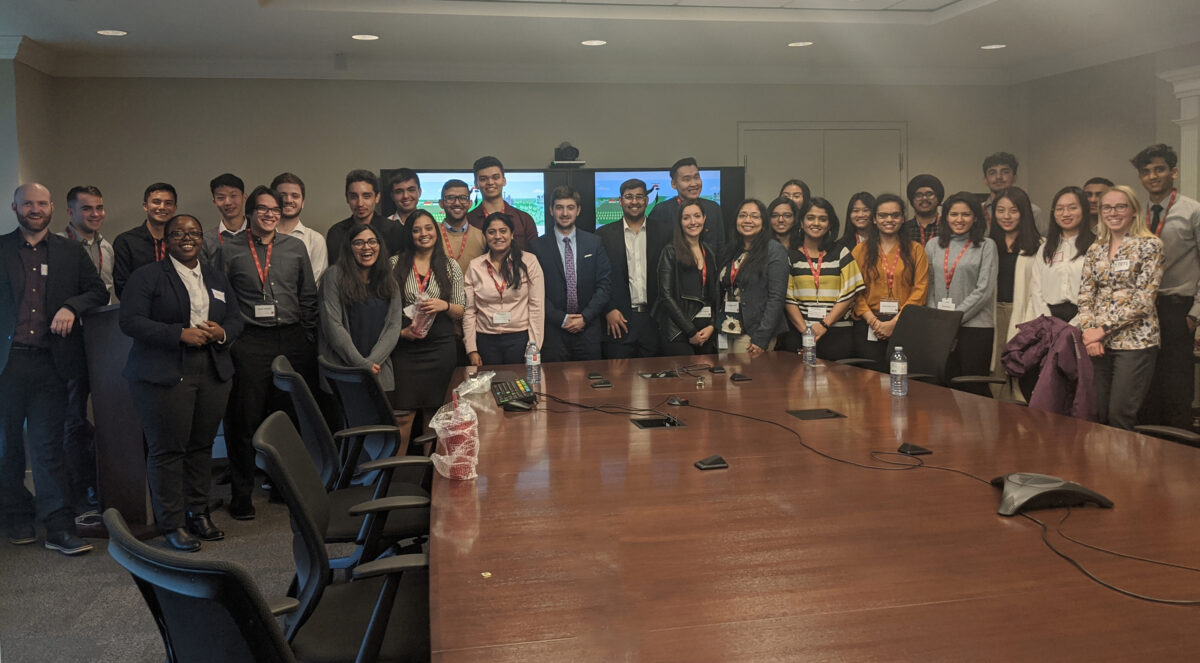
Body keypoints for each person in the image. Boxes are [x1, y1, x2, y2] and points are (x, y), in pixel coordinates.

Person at [120, 214, 241, 552]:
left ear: (202, 238)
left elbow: (235, 317)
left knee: (201, 446)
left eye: (193, 232)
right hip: (164, 373)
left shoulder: (216, 277)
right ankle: (171, 523)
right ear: (166, 240)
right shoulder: (148, 276)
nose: (187, 238)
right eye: (178, 233)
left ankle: (198, 513)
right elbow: (129, 321)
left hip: (213, 370)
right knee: (168, 450)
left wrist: (223, 332)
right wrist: (179, 333)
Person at [1, 183, 108, 556]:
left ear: (52, 209)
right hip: (7, 365)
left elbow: (99, 292)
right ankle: (15, 516)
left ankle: (58, 526)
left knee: (50, 447)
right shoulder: (1, 248)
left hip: (52, 363)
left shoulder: (70, 251)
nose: (35, 208)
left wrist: (71, 307)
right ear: (15, 207)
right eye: (28, 203)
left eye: (41, 203)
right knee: (6, 446)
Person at [218, 186, 318, 520]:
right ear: (249, 213)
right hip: (250, 341)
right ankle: (242, 493)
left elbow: (307, 296)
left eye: (275, 209)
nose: (271, 214)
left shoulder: (295, 247)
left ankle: (282, 487)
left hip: (291, 339)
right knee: (244, 419)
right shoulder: (229, 249)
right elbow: (222, 300)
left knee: (288, 419)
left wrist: (307, 338)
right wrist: (232, 340)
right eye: (263, 209)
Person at [1079, 186, 1164, 430]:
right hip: (1097, 344)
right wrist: (1089, 333)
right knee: (1098, 414)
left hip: (1135, 343)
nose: (1113, 212)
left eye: (1121, 206)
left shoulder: (1149, 246)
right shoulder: (1096, 248)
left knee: (1120, 416)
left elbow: (1143, 300)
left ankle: (1123, 468)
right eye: (1107, 207)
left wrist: (1102, 329)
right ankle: (1100, 467)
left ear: (1134, 211)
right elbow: (1086, 295)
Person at [1130, 144, 1200, 430]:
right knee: (1145, 384)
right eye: (1145, 172)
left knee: (1176, 386)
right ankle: (1148, 453)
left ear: (1174, 172)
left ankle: (1179, 456)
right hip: (1141, 310)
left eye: (1159, 169)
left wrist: (1195, 313)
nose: (1152, 176)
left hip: (1177, 309)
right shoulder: (1134, 212)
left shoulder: (1193, 211)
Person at [58, 185, 113, 520]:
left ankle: (104, 485)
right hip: (71, 343)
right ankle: (77, 491)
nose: (95, 214)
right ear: (70, 212)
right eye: (87, 209)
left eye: (99, 208)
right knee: (74, 418)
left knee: (110, 417)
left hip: (106, 340)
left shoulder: (108, 246)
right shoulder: (60, 247)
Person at [391, 211, 466, 419]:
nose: (423, 234)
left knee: (436, 414)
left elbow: (460, 310)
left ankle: (430, 453)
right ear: (409, 234)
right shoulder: (395, 264)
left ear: (436, 231)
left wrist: (444, 305)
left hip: (440, 348)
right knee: (403, 413)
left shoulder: (450, 265)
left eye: (428, 228)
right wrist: (401, 333)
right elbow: (386, 310)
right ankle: (403, 454)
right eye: (416, 230)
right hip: (407, 347)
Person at [925, 192, 998, 395]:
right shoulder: (933, 245)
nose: (959, 220)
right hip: (940, 327)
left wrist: (954, 318)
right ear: (945, 217)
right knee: (944, 385)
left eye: (965, 214)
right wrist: (938, 319)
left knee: (973, 387)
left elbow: (984, 290)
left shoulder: (986, 246)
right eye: (953, 214)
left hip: (975, 328)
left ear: (975, 217)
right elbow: (927, 285)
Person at [530, 185, 612, 362]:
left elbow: (604, 285)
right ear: (551, 210)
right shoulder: (537, 247)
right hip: (553, 330)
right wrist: (561, 319)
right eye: (559, 207)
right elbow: (534, 292)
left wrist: (585, 317)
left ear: (578, 210)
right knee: (555, 385)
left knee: (590, 384)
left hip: (588, 329)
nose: (565, 213)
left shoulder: (594, 243)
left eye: (570, 207)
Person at [319, 224, 403, 392]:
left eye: (372, 241)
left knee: (379, 418)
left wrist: (372, 363)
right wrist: (361, 364)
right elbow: (332, 326)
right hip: (342, 370)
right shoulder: (333, 276)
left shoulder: (389, 280)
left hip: (377, 370)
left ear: (380, 245)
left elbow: (394, 326)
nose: (367, 247)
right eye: (359, 243)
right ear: (349, 248)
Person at [851, 194, 930, 372]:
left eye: (895, 215)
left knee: (902, 378)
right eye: (883, 215)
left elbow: (920, 290)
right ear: (874, 219)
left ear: (902, 218)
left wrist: (895, 323)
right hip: (868, 323)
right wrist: (873, 321)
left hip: (904, 323)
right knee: (869, 381)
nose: (889, 220)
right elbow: (854, 290)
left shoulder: (916, 250)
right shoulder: (860, 250)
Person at [784, 197, 864, 361]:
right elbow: (787, 297)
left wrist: (824, 324)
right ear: (801, 222)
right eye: (810, 218)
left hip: (837, 332)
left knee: (838, 385)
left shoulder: (841, 252)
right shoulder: (790, 255)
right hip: (800, 332)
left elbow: (849, 293)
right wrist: (806, 332)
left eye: (823, 219)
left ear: (830, 224)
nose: (816, 223)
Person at [463, 212, 545, 366]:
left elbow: (537, 308)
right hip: (485, 340)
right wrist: (471, 349)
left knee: (521, 386)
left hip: (520, 339)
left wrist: (533, 347)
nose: (497, 236)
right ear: (485, 236)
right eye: (491, 232)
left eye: (503, 231)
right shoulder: (475, 266)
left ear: (512, 234)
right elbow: (469, 310)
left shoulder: (529, 261)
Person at [598, 178, 664, 359]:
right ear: (620, 201)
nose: (634, 202)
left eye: (639, 196)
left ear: (646, 200)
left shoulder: (663, 232)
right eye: (628, 197)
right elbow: (599, 279)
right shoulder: (603, 235)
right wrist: (608, 309)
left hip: (654, 320)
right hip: (619, 320)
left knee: (654, 381)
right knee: (619, 380)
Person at [717, 199, 789, 358]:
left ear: (763, 222)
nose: (747, 220)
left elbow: (777, 298)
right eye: (742, 215)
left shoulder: (774, 250)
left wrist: (762, 337)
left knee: (744, 379)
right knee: (724, 379)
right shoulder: (730, 250)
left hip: (754, 332)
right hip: (726, 329)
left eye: (754, 216)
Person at [655, 200, 719, 356]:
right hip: (678, 332)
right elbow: (666, 296)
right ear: (679, 222)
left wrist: (712, 326)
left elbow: (715, 295)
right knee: (683, 380)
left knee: (709, 379)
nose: (693, 222)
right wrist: (690, 332)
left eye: (697, 216)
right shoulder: (670, 251)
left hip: (706, 330)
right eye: (686, 218)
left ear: (704, 218)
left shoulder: (709, 251)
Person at [1028, 186, 1095, 327]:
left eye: (1072, 208)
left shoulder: (1096, 246)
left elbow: (1100, 291)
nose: (1065, 214)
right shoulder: (1045, 248)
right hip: (1049, 320)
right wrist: (1047, 322)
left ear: (1084, 210)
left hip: (1085, 320)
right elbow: (1036, 288)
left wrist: (1074, 325)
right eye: (1059, 209)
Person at [989, 186, 1042, 363]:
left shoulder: (1040, 246)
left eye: (1014, 211)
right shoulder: (988, 244)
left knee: (1019, 366)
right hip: (993, 312)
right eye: (1001, 210)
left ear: (1024, 213)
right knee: (994, 370)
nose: (1006, 216)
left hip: (1024, 313)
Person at [646, 157, 725, 252]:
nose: (694, 184)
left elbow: (721, 247)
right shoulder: (660, 211)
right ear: (674, 184)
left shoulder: (713, 208)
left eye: (696, 177)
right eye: (686, 179)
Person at [113, 182, 178, 297]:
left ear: (174, 208)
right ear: (145, 206)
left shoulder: (180, 242)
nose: (162, 207)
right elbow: (121, 286)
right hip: (139, 309)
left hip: (176, 310)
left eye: (168, 203)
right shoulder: (126, 241)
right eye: (156, 202)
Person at [327, 169, 403, 263]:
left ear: (377, 197)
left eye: (366, 196)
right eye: (354, 197)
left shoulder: (394, 230)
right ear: (347, 198)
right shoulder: (336, 233)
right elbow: (336, 271)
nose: (360, 203)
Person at [466, 157, 539, 249]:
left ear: (504, 181)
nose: (490, 182)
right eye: (483, 179)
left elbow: (534, 256)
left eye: (495, 177)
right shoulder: (468, 221)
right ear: (476, 184)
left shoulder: (524, 219)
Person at [272, 172, 329, 282]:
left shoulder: (315, 240)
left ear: (303, 202)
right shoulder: (260, 235)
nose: (288, 200)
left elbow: (315, 285)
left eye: (295, 196)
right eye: (283, 195)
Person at [766, 196, 804, 350]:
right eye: (775, 215)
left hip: (798, 316)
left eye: (787, 215)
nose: (780, 220)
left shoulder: (805, 246)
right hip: (770, 315)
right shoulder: (761, 247)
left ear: (795, 219)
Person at [981, 152, 1044, 234]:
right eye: (992, 173)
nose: (998, 177)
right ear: (985, 180)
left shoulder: (1033, 211)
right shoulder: (978, 212)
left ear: (1015, 177)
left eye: (1005, 172)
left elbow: (1044, 243)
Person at [437, 179, 487, 275]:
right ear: (441, 203)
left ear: (470, 203)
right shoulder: (432, 235)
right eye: (450, 198)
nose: (457, 203)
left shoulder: (482, 236)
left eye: (463, 198)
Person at [201, 173, 246, 262]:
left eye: (233, 196)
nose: (228, 202)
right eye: (221, 198)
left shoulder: (257, 232)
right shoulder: (206, 241)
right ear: (215, 202)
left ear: (244, 198)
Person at [902, 174, 944, 247]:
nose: (924, 198)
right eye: (919, 195)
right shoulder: (903, 229)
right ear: (912, 201)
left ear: (938, 199)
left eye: (929, 194)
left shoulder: (948, 227)